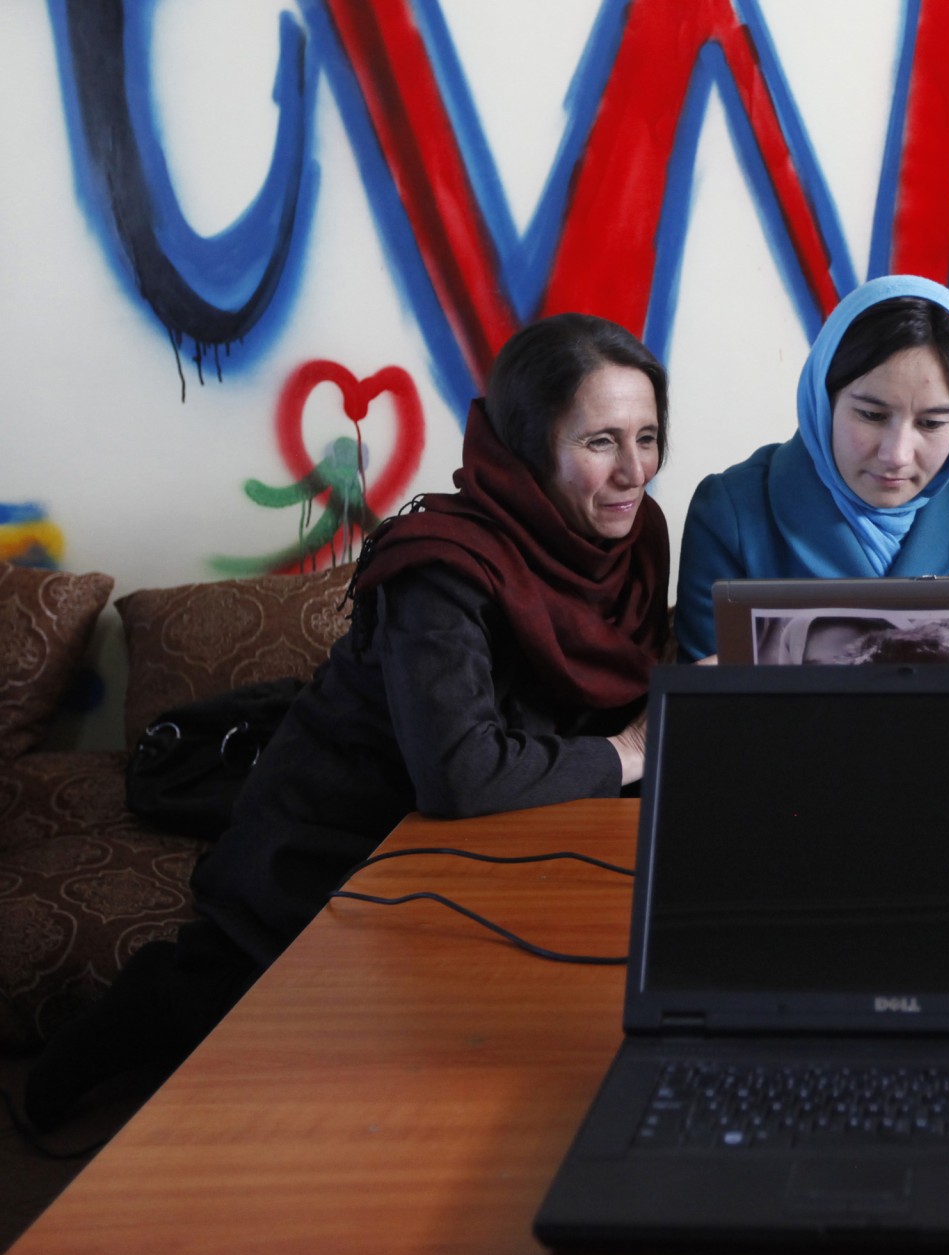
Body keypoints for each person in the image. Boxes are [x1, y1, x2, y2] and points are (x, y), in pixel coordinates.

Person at [25, 313, 673, 1129]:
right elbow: (462, 773)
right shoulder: (441, 565)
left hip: (496, 843)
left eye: (647, 437)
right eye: (600, 441)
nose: (633, 472)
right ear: (527, 446)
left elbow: (608, 687)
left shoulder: (634, 543)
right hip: (340, 839)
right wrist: (630, 750)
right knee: (236, 1013)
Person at [672, 275, 949, 660]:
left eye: (931, 423)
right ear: (824, 400)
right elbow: (706, 685)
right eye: (872, 415)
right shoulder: (731, 511)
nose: (897, 455)